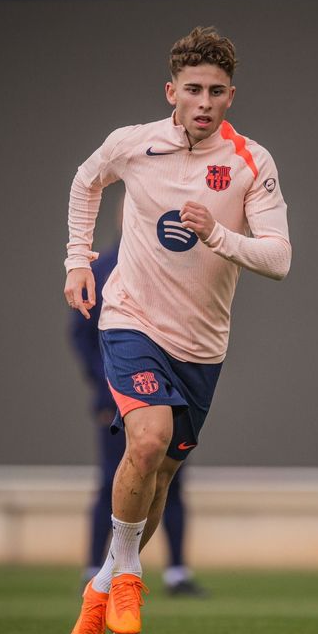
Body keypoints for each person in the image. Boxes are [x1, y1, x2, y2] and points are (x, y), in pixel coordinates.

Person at [63, 26, 291, 634]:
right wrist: (77, 262)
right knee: (149, 438)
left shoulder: (250, 162)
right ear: (172, 91)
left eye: (217, 91)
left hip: (202, 345)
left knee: (160, 474)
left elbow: (279, 258)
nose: (204, 101)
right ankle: (131, 574)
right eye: (193, 89)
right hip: (131, 319)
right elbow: (86, 183)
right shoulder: (132, 145)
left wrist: (219, 236)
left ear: (230, 96)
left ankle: (105, 582)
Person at [71, 240, 206, 598]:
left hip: (169, 390)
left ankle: (175, 570)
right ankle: (97, 572)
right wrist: (108, 388)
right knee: (114, 477)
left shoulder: (178, 263)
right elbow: (82, 335)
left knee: (168, 478)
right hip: (120, 391)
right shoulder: (104, 268)